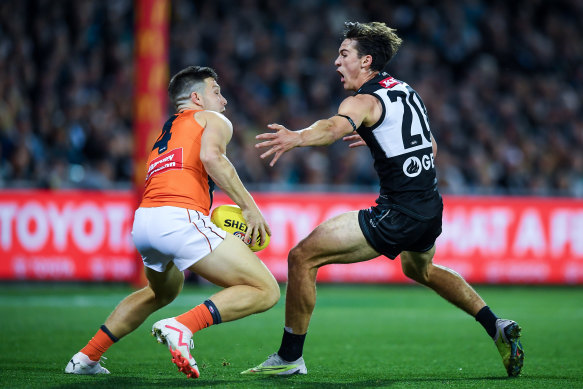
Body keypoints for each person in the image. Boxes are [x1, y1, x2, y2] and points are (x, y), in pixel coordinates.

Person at [242, 22, 524, 377]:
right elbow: (431, 148)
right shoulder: (405, 90)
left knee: (302, 258)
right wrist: (381, 138)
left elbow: (332, 128)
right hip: (429, 208)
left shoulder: (362, 100)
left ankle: (289, 358)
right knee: (419, 269)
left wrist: (295, 137)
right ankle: (495, 324)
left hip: (398, 212)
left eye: (344, 55)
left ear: (366, 61)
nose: (336, 62)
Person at [65, 66, 280, 379]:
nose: (224, 101)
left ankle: (86, 357)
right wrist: (250, 207)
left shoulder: (170, 129)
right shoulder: (213, 119)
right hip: (180, 218)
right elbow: (212, 158)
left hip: (145, 222)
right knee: (266, 289)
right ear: (196, 97)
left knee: (162, 292)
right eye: (216, 91)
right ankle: (182, 326)